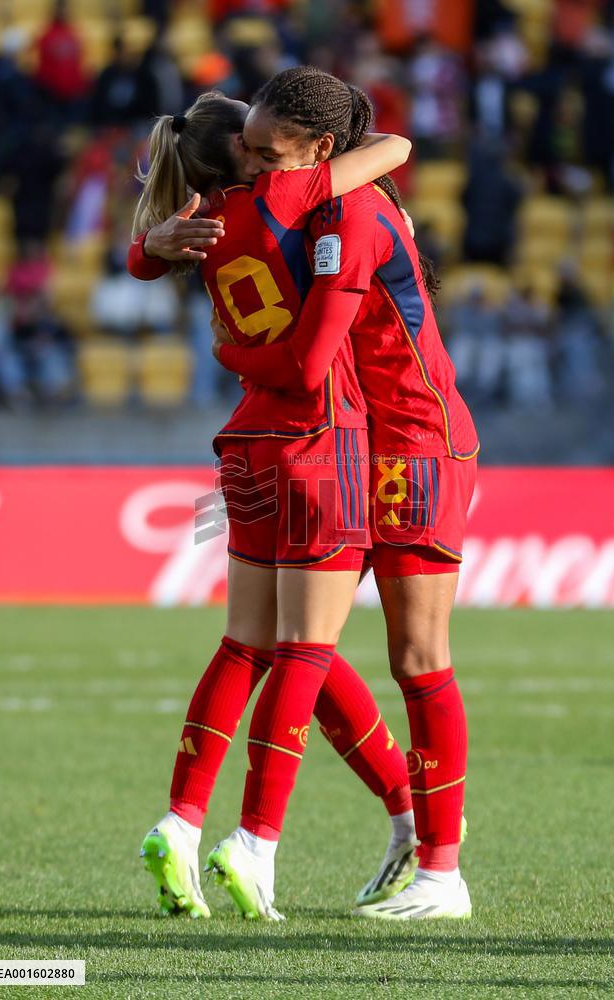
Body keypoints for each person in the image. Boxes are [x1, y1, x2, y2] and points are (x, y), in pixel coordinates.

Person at [129, 84, 418, 920]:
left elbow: (142, 262)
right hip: (320, 438)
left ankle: (182, 823)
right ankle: (256, 841)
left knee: (247, 645)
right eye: (259, 147)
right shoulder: (285, 194)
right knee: (304, 650)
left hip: (246, 444)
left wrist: (150, 245)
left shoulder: (199, 227)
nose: (270, 155)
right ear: (248, 156)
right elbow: (392, 148)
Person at [209, 66, 478, 921]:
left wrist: (235, 357)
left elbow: (312, 359)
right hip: (350, 442)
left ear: (319, 149)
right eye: (244, 149)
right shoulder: (321, 203)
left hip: (413, 445)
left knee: (416, 657)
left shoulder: (351, 213)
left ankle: (443, 871)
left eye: (263, 151)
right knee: (303, 642)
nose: (250, 164)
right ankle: (406, 819)